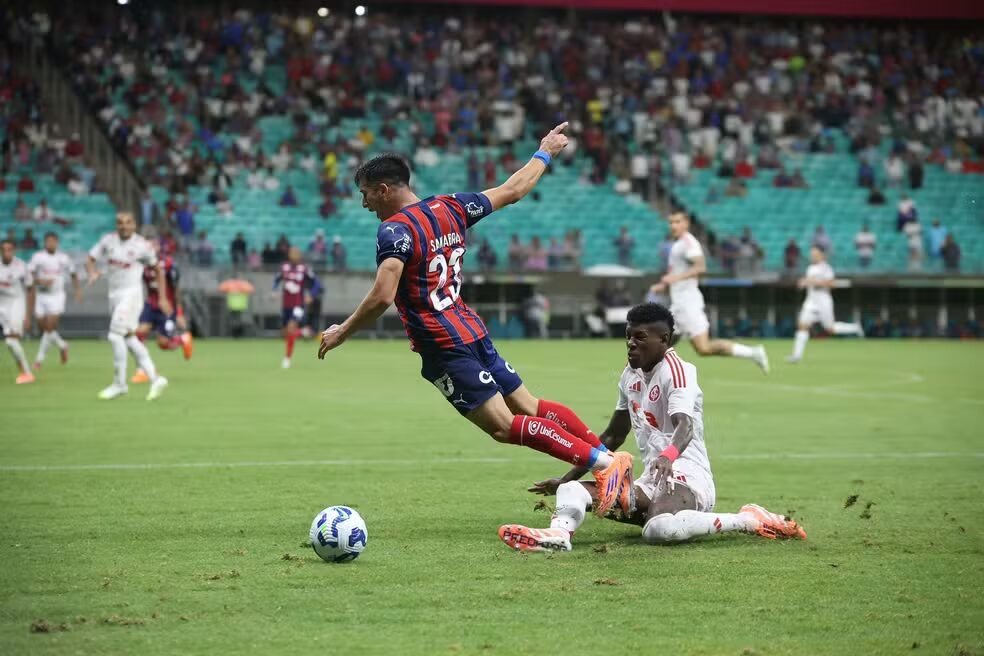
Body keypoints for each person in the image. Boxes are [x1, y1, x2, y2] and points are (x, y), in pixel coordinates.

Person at [317, 125, 633, 517]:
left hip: (442, 343)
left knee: (503, 426)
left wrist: (342, 331)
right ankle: (604, 456)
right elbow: (514, 189)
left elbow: (383, 294)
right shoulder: (452, 206)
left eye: (365, 194)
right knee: (529, 405)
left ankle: (606, 467)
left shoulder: (394, 230)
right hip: (471, 330)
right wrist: (545, 151)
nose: (364, 203)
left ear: (383, 189)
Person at [499, 303, 806, 552]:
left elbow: (685, 426)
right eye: (629, 336)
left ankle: (749, 520)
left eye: (641, 337)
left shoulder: (679, 371)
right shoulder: (629, 376)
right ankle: (557, 537)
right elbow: (612, 437)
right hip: (652, 480)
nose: (631, 343)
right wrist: (566, 477)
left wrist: (668, 456)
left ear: (665, 341)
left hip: (688, 478)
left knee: (658, 530)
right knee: (570, 491)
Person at [649, 213, 769, 372]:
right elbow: (677, 272)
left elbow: (700, 267)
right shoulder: (678, 245)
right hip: (679, 303)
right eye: (671, 222)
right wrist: (663, 285)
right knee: (662, 346)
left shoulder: (688, 242)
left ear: (686, 224)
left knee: (703, 348)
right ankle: (646, 381)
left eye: (677, 222)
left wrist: (675, 278)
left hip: (688, 303)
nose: (673, 225)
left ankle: (753, 353)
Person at [86, 212, 169, 401]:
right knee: (129, 338)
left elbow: (158, 269)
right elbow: (90, 258)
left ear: (134, 225)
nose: (124, 226)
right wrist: (91, 273)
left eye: (128, 223)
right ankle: (155, 379)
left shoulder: (142, 246)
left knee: (115, 336)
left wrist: (162, 298)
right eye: (120, 223)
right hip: (114, 295)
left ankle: (119, 384)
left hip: (131, 296)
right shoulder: (108, 241)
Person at [786, 247, 864, 364]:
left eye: (815, 254)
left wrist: (814, 282)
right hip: (811, 301)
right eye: (811, 254)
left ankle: (855, 327)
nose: (812, 256)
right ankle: (797, 356)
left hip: (823, 301)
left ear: (821, 255)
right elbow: (809, 281)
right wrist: (803, 283)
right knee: (802, 325)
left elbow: (832, 284)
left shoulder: (826, 268)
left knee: (830, 329)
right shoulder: (810, 268)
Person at [131, 246, 193, 383]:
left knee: (163, 344)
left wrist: (179, 312)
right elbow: (147, 287)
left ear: (159, 247)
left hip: (166, 307)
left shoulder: (169, 265)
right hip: (151, 305)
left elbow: (176, 289)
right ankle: (143, 370)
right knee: (138, 334)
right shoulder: (143, 265)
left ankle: (182, 339)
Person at [28, 233, 80, 369]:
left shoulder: (63, 258)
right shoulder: (37, 257)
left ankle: (39, 360)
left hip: (56, 296)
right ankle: (62, 345)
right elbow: (29, 275)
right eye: (48, 241)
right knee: (43, 328)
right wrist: (40, 281)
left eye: (53, 241)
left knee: (50, 327)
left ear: (57, 243)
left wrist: (77, 290)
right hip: (41, 296)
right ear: (45, 243)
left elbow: (73, 273)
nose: (50, 244)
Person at [273, 246, 321, 369]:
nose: (294, 255)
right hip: (286, 305)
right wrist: (274, 290)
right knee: (285, 333)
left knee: (291, 328)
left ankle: (287, 359)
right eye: (292, 253)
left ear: (299, 255)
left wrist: (312, 295)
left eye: (296, 253)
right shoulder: (284, 267)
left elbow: (317, 283)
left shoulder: (304, 269)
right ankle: (304, 331)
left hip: (298, 304)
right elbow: (277, 279)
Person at [0, 239, 36, 384]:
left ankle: (27, 373)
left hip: (16, 304)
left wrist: (28, 315)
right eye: (3, 249)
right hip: (1, 305)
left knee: (10, 341)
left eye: (9, 249)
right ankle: (24, 372)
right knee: (10, 342)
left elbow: (31, 289)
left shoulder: (21, 266)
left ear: (14, 251)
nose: (6, 252)